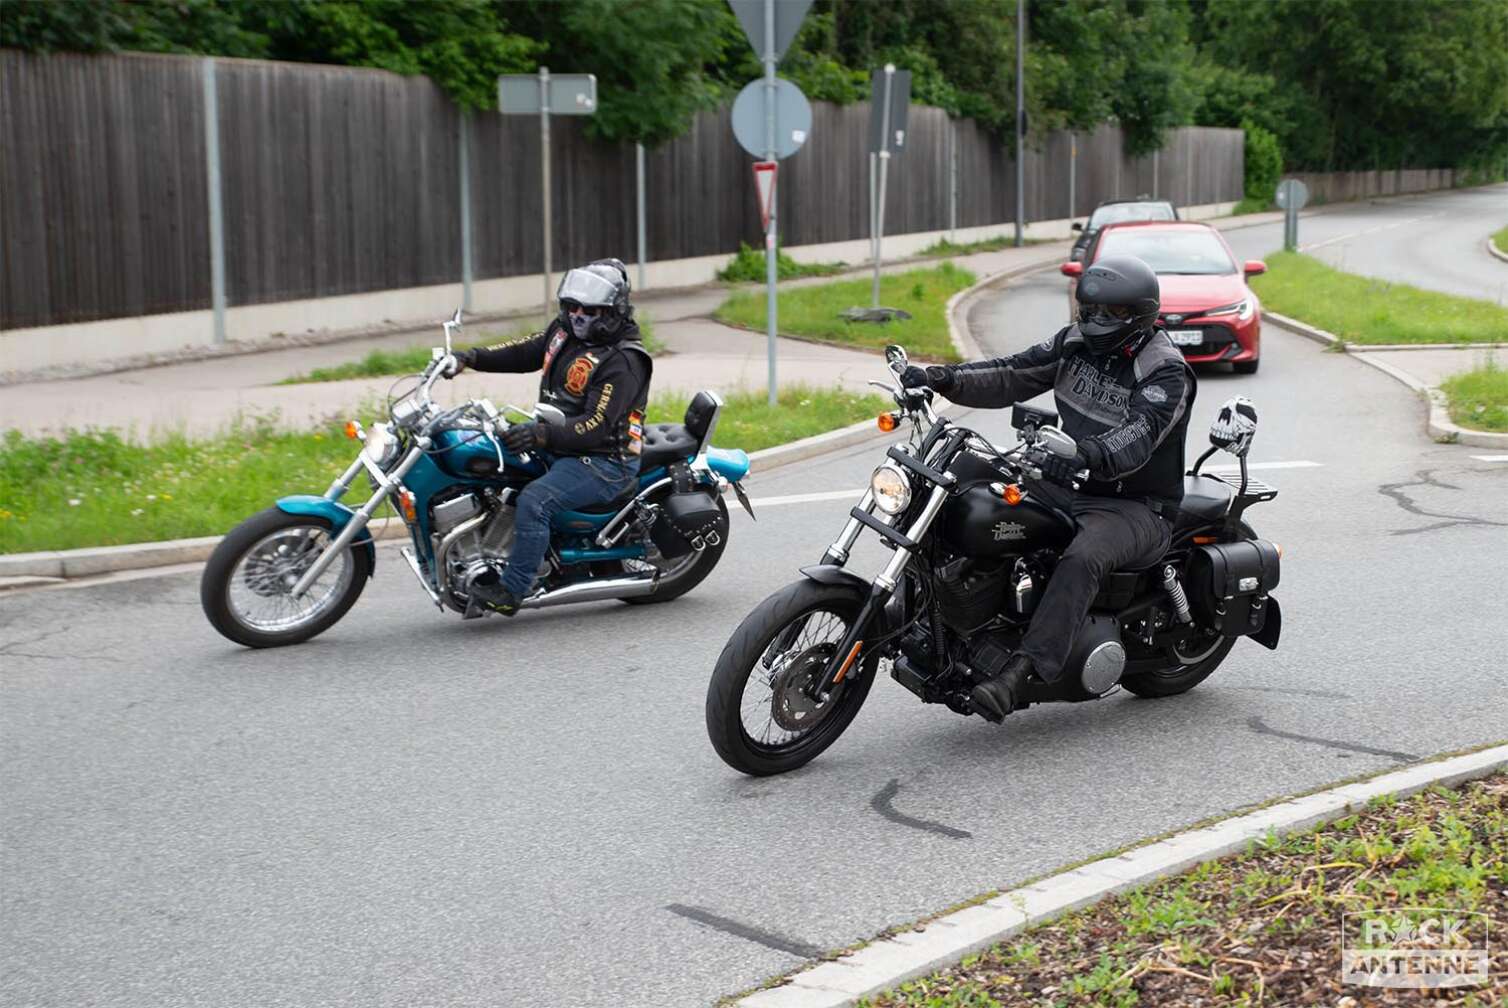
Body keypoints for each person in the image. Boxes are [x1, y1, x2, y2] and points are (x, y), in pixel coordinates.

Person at [900, 254, 1195, 722]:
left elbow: (1137, 436)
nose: (1096, 321)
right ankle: (939, 611)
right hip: (1060, 476)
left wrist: (1086, 455)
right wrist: (941, 379)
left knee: (1083, 558)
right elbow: (1011, 373)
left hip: (1133, 504)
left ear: (1139, 315)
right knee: (961, 483)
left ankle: (1022, 673)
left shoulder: (1164, 370)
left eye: (1111, 314)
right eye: (1090, 310)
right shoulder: (1075, 343)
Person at [446, 258, 652, 616]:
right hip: (562, 441)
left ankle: (512, 590)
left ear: (613, 310)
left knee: (535, 502)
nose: (578, 316)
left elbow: (596, 426)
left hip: (605, 460)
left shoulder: (624, 361)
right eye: (572, 307)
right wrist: (470, 359)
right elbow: (524, 351)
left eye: (590, 310)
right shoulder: (564, 332)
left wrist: (541, 436)